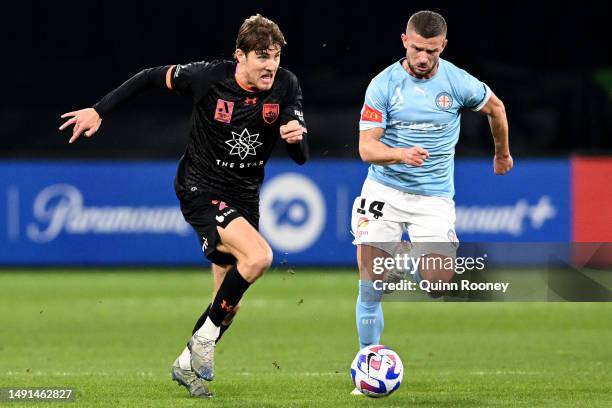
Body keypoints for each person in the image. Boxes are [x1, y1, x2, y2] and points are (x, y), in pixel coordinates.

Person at [59, 14, 308, 398]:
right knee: (259, 256)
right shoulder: (208, 77)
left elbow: (301, 157)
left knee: (226, 304)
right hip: (200, 186)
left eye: (274, 55)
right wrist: (99, 110)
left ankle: (184, 362)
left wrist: (294, 139)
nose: (270, 65)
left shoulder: (286, 85)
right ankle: (203, 342)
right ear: (239, 56)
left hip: (244, 197)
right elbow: (147, 77)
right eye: (261, 56)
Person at [350, 10, 512, 395]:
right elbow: (366, 148)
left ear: (443, 46)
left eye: (432, 51)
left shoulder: (456, 81)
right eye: (418, 49)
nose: (423, 58)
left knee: (438, 285)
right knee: (371, 285)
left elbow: (497, 109)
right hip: (384, 191)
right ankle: (367, 365)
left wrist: (502, 153)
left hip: (433, 198)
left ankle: (404, 258)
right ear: (404, 41)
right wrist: (400, 154)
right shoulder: (383, 85)